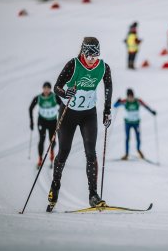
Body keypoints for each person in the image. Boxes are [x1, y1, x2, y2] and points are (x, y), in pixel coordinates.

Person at [47, 37, 112, 212]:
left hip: (88, 114)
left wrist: (107, 110)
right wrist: (66, 92)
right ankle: (55, 187)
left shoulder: (103, 67)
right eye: (89, 55)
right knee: (64, 152)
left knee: (91, 153)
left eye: (95, 55)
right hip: (68, 114)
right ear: (83, 52)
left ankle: (93, 195)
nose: (92, 58)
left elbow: (108, 88)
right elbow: (57, 87)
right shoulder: (73, 64)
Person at [114, 89, 156, 161]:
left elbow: (146, 106)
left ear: (133, 95)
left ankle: (138, 150)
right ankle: (126, 154)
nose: (130, 98)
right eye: (129, 97)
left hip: (136, 123)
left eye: (131, 96)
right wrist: (117, 101)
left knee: (138, 138)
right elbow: (115, 106)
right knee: (127, 138)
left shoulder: (138, 101)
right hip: (128, 123)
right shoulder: (125, 101)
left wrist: (152, 111)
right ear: (127, 96)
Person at [29, 82, 61, 169]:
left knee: (52, 140)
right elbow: (31, 107)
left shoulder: (54, 97)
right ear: (42, 89)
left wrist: (60, 112)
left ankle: (51, 154)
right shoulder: (39, 98)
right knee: (42, 140)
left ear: (50, 89)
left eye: (48, 88)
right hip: (42, 122)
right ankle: (40, 159)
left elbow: (62, 105)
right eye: (45, 88)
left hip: (53, 122)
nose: (46, 90)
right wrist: (31, 121)